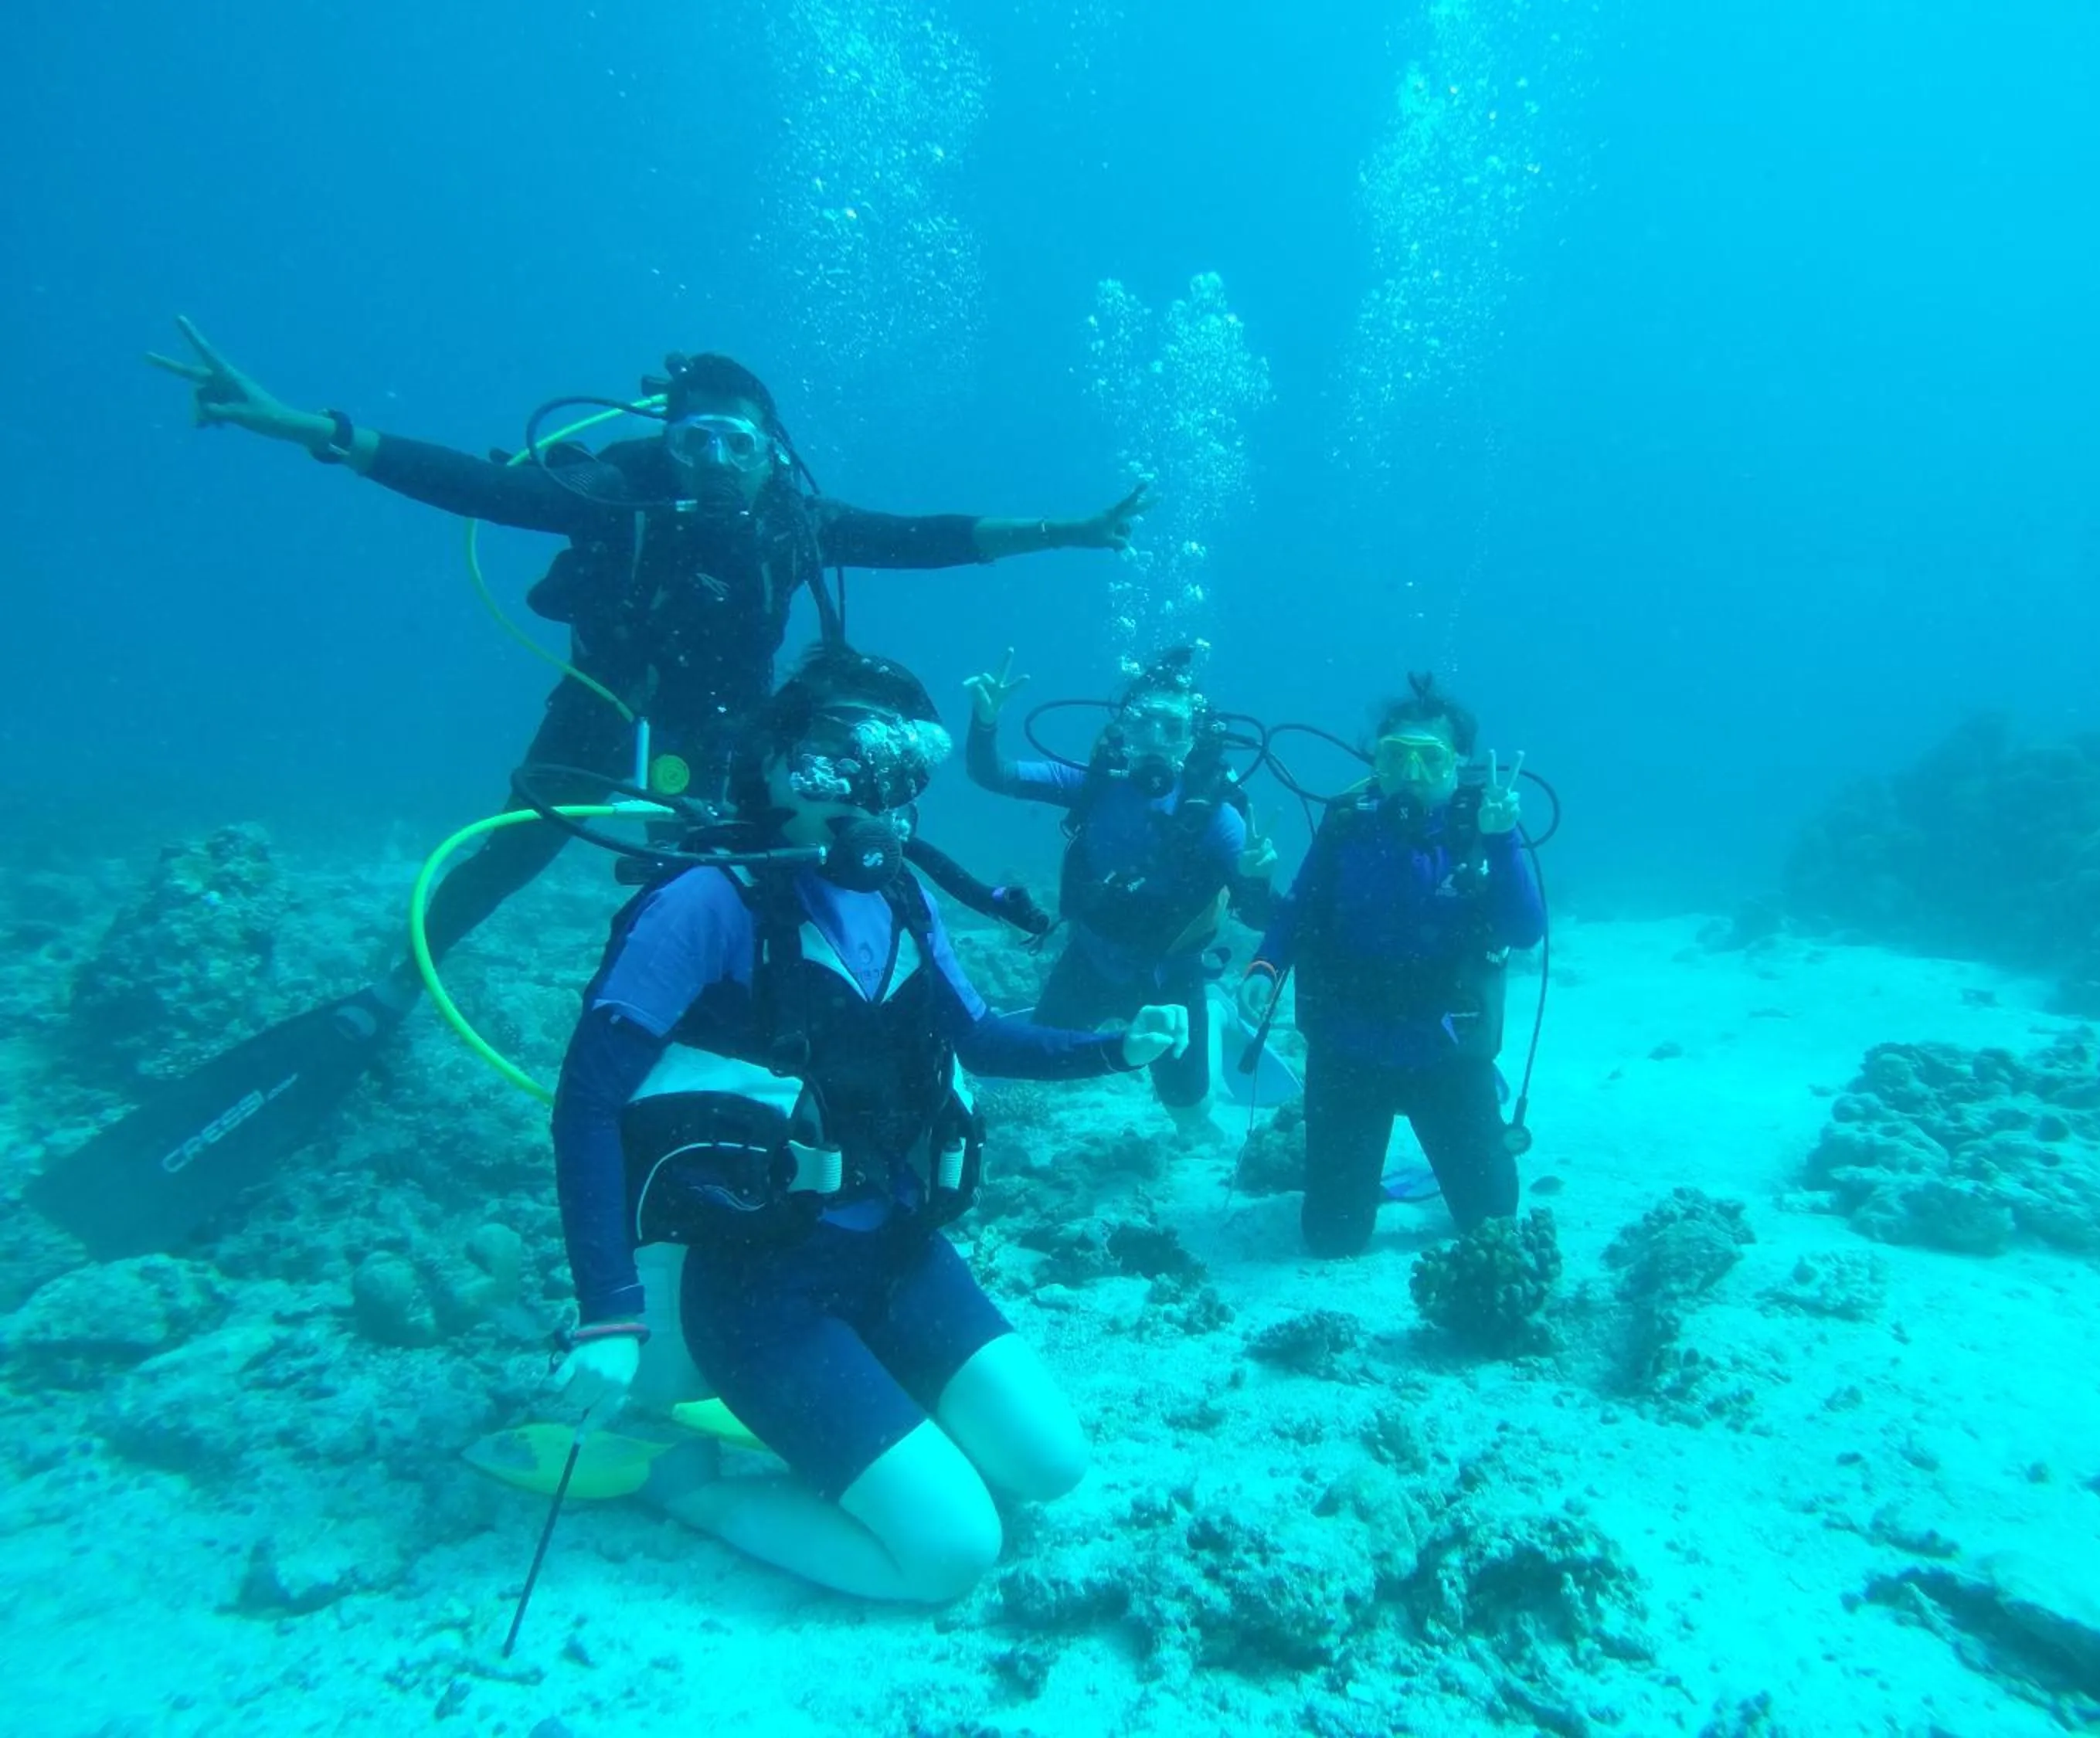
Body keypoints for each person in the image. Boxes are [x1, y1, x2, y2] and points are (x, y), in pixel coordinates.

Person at [145, 316, 1149, 966]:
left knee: (717, 870)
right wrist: (302, 424)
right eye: (697, 439)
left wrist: (1067, 530)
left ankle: (693, 1012)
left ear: (772, 454)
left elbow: (926, 538)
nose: (717, 462)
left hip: (731, 727)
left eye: (739, 444)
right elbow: (478, 486)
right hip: (604, 698)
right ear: (670, 443)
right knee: (520, 843)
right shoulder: (618, 495)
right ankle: (401, 981)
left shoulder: (794, 519)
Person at [547, 645, 1189, 1603]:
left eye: (896, 763)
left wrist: (1114, 1049)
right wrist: (609, 1308)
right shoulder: (705, 901)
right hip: (760, 1287)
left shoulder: (900, 892)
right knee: (952, 1555)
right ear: (773, 761)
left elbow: (976, 1035)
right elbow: (588, 1101)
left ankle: (867, 1411)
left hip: (896, 1250)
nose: (871, 788)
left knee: (1052, 1468)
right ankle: (684, 1492)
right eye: (841, 754)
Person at [1236, 674, 1541, 1257]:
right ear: (1376, 760)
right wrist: (1263, 968)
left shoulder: (1482, 829)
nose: (1411, 775)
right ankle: (1371, 1171)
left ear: (1460, 764)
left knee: (1492, 1221)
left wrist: (1502, 843)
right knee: (1331, 1237)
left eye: (1431, 759)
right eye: (1395, 757)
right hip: (1350, 1053)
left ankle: (1453, 1151)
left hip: (1447, 1054)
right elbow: (1297, 914)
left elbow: (1525, 930)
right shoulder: (1348, 824)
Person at [963, 646, 1276, 1138]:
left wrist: (1257, 878)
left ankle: (1214, 1015)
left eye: (1172, 729)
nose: (1155, 741)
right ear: (1123, 729)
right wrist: (985, 720)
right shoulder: (1093, 784)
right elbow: (993, 774)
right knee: (1039, 1060)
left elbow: (1258, 915)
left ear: (1191, 740)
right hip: (1090, 957)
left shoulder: (1218, 818)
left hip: (1170, 974)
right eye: (1142, 725)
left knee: (1189, 1112)